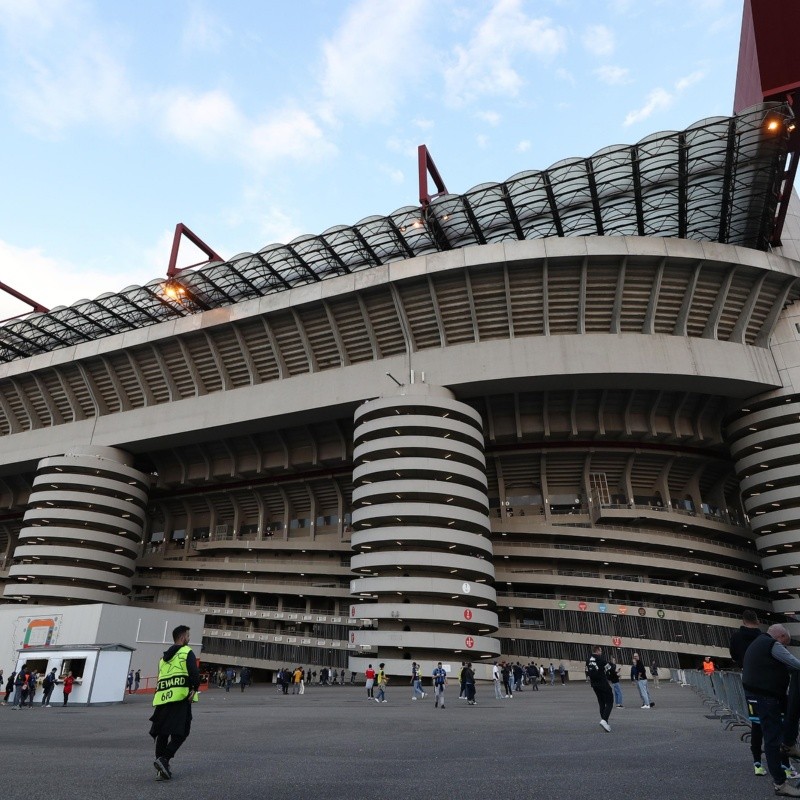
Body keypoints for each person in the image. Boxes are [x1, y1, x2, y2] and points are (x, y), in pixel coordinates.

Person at [742, 624, 800, 796]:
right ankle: (780, 784)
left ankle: (788, 746)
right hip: (766, 698)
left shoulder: (757, 643)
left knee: (771, 737)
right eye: (786, 643)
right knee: (772, 739)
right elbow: (795, 663)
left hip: (757, 696)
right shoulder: (772, 645)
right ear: (780, 636)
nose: (785, 647)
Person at [149, 624, 200, 781]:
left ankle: (161, 769)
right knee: (183, 731)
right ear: (183, 637)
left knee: (163, 733)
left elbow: (161, 678)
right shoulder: (187, 652)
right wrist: (194, 688)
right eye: (188, 636)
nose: (189, 638)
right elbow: (193, 672)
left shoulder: (163, 659)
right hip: (180, 697)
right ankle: (164, 759)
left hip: (163, 699)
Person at [586, 645, 616, 732]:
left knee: (601, 702)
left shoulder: (588, 660)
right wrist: (613, 668)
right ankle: (604, 720)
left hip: (594, 685)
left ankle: (605, 722)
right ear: (598, 651)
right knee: (610, 701)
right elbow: (609, 668)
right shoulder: (600, 659)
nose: (601, 652)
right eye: (601, 650)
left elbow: (587, 672)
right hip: (602, 683)